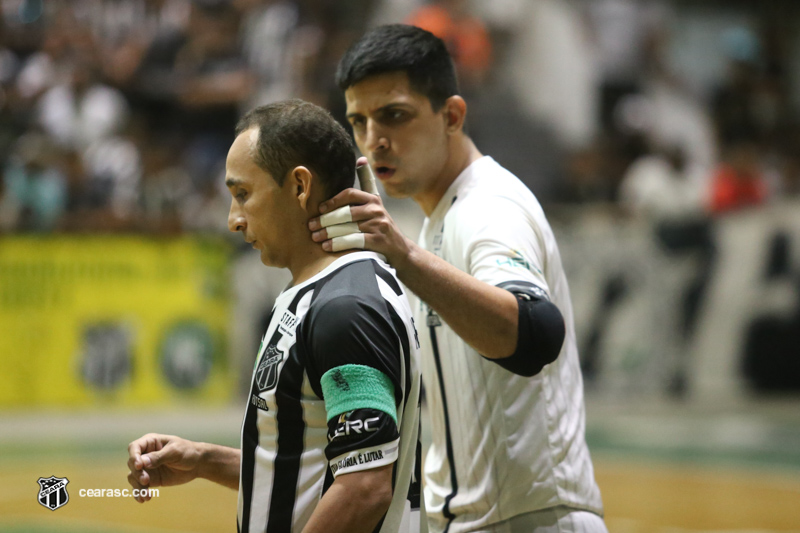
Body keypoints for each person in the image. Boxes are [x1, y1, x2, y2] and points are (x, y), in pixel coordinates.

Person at [308, 25, 606, 532]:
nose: (373, 139)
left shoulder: (489, 208)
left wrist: (400, 254)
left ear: (451, 115)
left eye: (394, 115)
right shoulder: (438, 223)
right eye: (358, 121)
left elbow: (533, 333)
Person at [126, 100, 423, 533]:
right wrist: (206, 460)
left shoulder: (345, 308)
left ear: (300, 186)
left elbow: (365, 487)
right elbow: (316, 464)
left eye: (243, 194)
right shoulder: (317, 293)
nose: (233, 220)